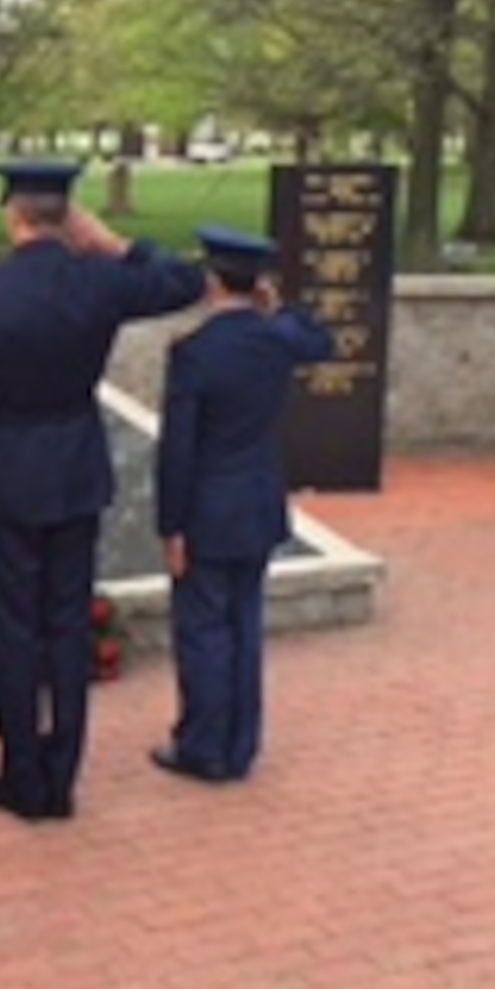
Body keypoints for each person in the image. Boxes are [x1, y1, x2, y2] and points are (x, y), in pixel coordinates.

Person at [0, 159, 205, 822]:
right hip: (76, 469)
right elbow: (185, 281)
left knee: (13, 632)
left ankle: (21, 775)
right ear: (69, 217)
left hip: (6, 477)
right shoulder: (101, 284)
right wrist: (114, 244)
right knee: (65, 627)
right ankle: (62, 778)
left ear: (14, 215)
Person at [150, 225, 334, 785]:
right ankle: (240, 744)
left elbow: (178, 446)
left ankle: (203, 745)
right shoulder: (276, 339)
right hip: (256, 501)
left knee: (203, 630)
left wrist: (171, 524)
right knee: (244, 625)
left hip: (207, 507)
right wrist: (279, 308)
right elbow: (320, 341)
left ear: (210, 281)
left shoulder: (194, 353)